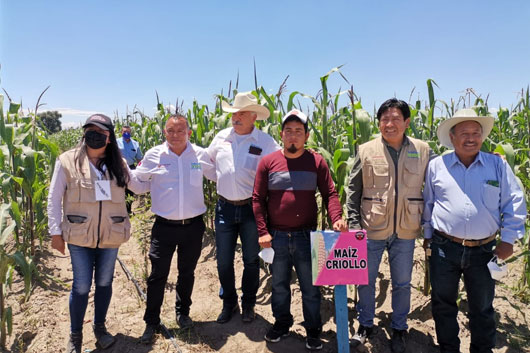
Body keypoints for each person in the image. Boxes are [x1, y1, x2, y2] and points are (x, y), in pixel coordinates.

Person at [422, 109, 526, 353]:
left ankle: (482, 349)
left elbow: (514, 201)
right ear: (452, 136)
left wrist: (508, 239)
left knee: (482, 306)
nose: (471, 138)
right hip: (444, 247)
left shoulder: (496, 165)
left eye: (476, 133)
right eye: (464, 133)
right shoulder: (437, 165)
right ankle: (449, 348)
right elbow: (428, 203)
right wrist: (428, 237)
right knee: (443, 303)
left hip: (484, 249)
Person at [48, 114, 148, 353]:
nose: (93, 136)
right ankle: (75, 335)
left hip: (110, 233)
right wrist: (55, 232)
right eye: (89, 131)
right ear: (84, 134)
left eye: (100, 133)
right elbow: (53, 199)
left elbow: (138, 187)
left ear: (109, 138)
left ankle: (100, 328)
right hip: (79, 234)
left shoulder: (118, 163)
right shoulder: (67, 161)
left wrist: (164, 174)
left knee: (104, 282)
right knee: (81, 286)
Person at [253, 109, 347, 350]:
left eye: (298, 131)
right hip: (278, 237)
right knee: (279, 285)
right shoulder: (268, 162)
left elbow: (330, 194)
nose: (293, 136)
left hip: (308, 237)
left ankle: (313, 329)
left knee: (311, 288)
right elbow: (257, 199)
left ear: (306, 135)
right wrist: (263, 231)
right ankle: (282, 323)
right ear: (281, 134)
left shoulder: (316, 162)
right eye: (288, 131)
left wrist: (336, 217)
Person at [346, 98, 431, 353]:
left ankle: (399, 327)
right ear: (379, 123)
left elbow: (440, 181)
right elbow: (353, 189)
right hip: (371, 228)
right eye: (384, 119)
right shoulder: (365, 150)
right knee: (365, 281)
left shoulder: (423, 150)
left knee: (403, 282)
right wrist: (353, 224)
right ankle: (365, 324)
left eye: (395, 119)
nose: (389, 124)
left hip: (406, 228)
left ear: (407, 122)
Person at [131, 114, 216, 343]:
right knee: (157, 276)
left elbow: (218, 175)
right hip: (164, 227)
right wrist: (120, 172)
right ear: (164, 133)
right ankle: (151, 321)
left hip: (193, 226)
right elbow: (138, 183)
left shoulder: (200, 154)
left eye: (181, 131)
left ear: (189, 132)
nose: (176, 135)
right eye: (171, 131)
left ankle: (183, 314)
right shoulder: (154, 155)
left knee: (186, 273)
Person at [207, 91, 281, 323]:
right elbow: (208, 164)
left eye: (241, 113)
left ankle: (248, 304)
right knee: (223, 260)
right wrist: (223, 180)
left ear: (253, 117)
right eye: (233, 113)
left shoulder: (265, 142)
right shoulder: (221, 137)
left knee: (251, 259)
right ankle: (229, 302)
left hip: (252, 209)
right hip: (224, 208)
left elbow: (280, 168)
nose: (235, 117)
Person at [117, 125, 143, 213]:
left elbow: (139, 158)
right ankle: (120, 210)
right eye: (124, 132)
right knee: (119, 188)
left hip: (131, 168)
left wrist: (141, 170)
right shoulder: (116, 143)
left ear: (131, 133)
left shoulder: (135, 144)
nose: (126, 133)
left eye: (128, 132)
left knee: (130, 189)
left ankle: (128, 210)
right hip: (119, 168)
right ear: (121, 132)